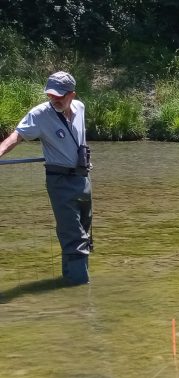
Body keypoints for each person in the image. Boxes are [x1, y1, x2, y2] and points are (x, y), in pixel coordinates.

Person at [0, 71, 93, 285]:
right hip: (59, 181)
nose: (54, 99)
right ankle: (80, 289)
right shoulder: (39, 114)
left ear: (72, 94)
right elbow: (16, 136)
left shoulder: (80, 107)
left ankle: (70, 280)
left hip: (83, 178)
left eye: (60, 95)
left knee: (84, 232)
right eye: (51, 95)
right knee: (74, 236)